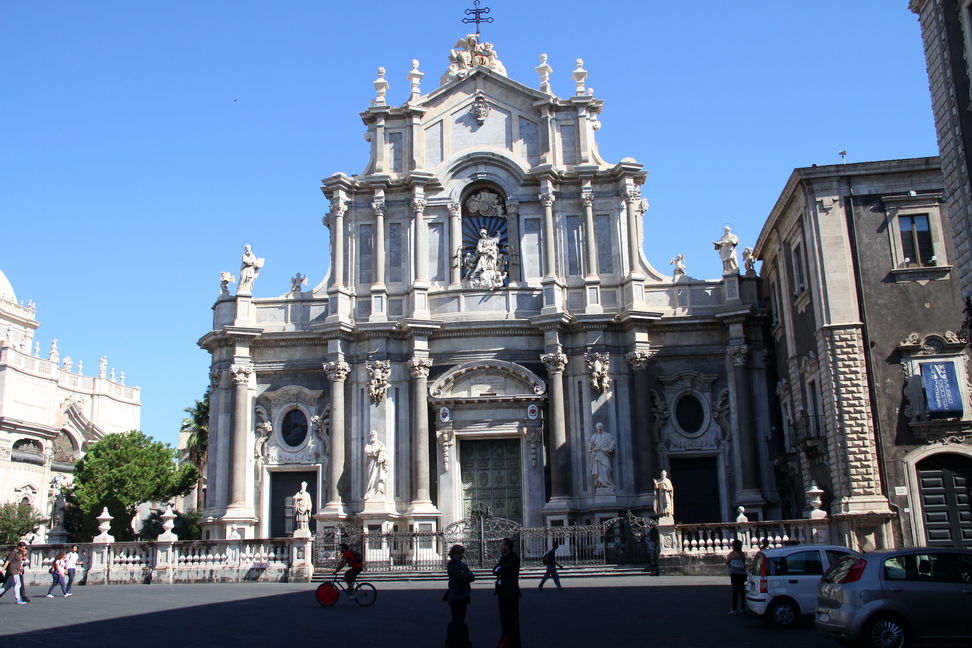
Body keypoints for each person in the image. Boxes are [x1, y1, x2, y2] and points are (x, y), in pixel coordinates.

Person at [493, 537, 522, 648]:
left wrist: (500, 570)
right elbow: (494, 570)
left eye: (502, 545)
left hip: (510, 592)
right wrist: (499, 569)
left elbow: (503, 571)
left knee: (512, 619)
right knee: (504, 618)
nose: (500, 547)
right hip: (502, 591)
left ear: (507, 547)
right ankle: (507, 640)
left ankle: (514, 642)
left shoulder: (513, 558)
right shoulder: (503, 558)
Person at [445, 544, 475, 648]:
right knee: (457, 619)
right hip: (457, 595)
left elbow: (471, 576)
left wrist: (466, 574)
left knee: (460, 618)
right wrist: (466, 574)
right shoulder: (452, 564)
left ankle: (457, 640)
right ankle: (455, 641)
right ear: (456, 554)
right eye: (460, 553)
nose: (462, 555)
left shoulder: (461, 564)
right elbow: (462, 575)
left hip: (462, 594)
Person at [589, 423, 616, 488]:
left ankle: (608, 483)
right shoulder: (594, 436)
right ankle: (601, 484)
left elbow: (612, 443)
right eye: (598, 427)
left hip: (605, 454)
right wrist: (591, 447)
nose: (600, 428)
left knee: (606, 469)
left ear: (603, 427)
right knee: (599, 471)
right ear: (596, 428)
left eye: (601, 427)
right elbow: (590, 445)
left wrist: (609, 448)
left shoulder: (607, 436)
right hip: (597, 456)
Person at [364, 431, 389, 499]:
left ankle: (379, 490)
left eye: (374, 435)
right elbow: (366, 451)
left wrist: (384, 458)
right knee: (371, 476)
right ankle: (370, 491)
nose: (373, 436)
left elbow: (385, 452)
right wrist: (376, 450)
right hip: (372, 462)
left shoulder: (380, 443)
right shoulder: (368, 444)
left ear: (376, 435)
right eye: (371, 435)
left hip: (379, 463)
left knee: (379, 476)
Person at [726, 539, 747, 615]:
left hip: (734, 574)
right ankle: (743, 608)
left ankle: (734, 609)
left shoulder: (732, 554)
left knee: (735, 592)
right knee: (742, 592)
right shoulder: (742, 554)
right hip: (741, 574)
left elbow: (727, 562)